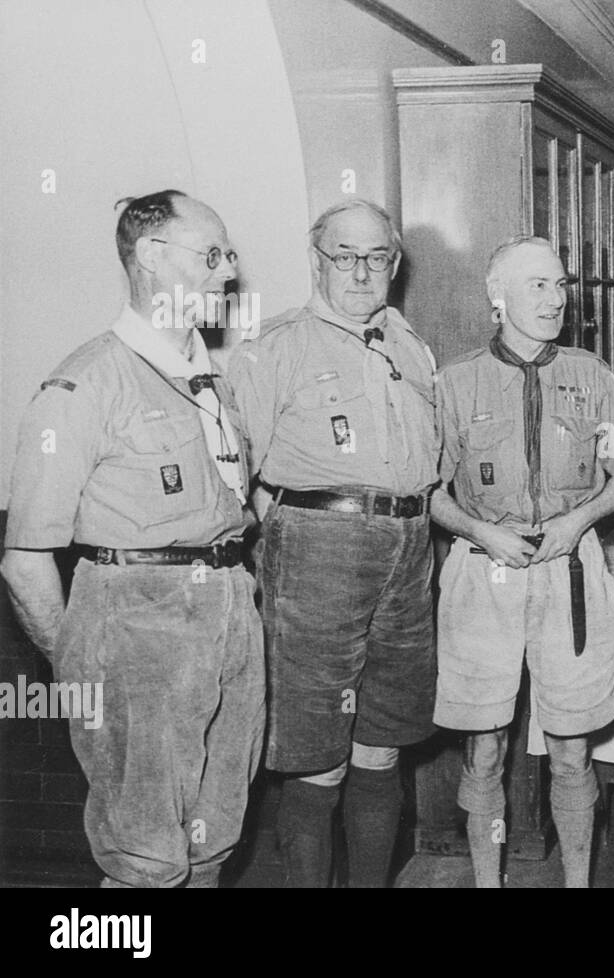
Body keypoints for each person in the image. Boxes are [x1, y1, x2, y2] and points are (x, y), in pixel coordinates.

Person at [1, 190, 263, 887]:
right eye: (210, 256)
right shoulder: (85, 384)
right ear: (150, 256)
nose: (228, 274)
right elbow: (25, 559)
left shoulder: (213, 381)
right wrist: (86, 667)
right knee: (146, 855)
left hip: (231, 616)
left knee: (212, 838)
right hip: (135, 628)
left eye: (229, 256)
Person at [226, 199, 439, 887]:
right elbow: (236, 472)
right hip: (318, 548)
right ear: (317, 261)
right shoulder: (277, 346)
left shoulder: (410, 344)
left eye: (376, 257)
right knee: (316, 753)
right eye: (343, 256)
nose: (360, 271)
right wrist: (291, 531)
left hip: (410, 550)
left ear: (394, 265)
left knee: (382, 745)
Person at [428, 235, 614, 888]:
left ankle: (577, 882)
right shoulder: (454, 382)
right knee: (484, 750)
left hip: (569, 575)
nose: (556, 298)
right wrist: (482, 533)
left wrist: (577, 521)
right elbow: (429, 493)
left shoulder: (592, 374)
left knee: (573, 751)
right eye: (537, 286)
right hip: (481, 575)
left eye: (560, 284)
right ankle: (488, 881)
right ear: (498, 298)